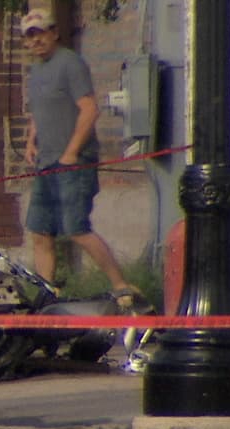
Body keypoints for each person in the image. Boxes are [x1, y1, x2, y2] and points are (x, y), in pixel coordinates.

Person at [21, 8, 143, 307]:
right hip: (46, 163)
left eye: (41, 34)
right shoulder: (35, 71)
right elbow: (40, 110)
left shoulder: (70, 64)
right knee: (40, 231)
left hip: (74, 164)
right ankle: (47, 296)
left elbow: (90, 109)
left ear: (54, 33)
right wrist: (31, 139)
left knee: (76, 229)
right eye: (30, 36)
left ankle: (121, 285)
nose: (36, 41)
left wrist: (72, 152)